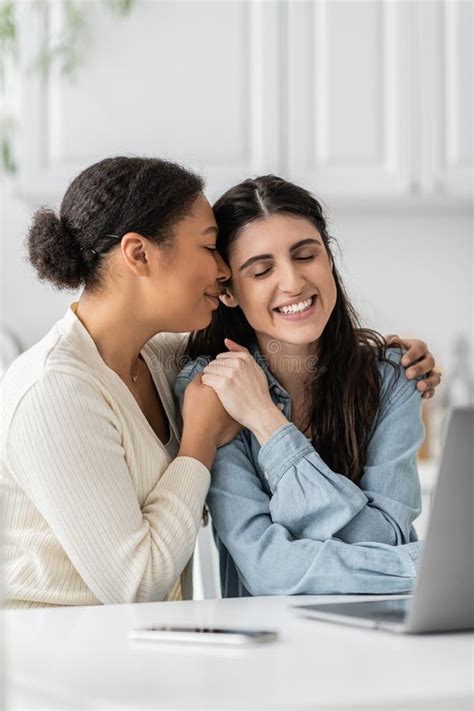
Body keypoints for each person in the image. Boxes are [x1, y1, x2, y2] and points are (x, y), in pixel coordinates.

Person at [0, 158, 439, 608]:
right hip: (58, 652)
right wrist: (203, 440)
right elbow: (146, 582)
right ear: (139, 255)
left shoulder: (159, 359)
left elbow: (388, 532)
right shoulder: (57, 390)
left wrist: (393, 359)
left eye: (306, 255)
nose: (220, 270)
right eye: (210, 248)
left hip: (146, 647)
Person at [175, 175, 439, 598]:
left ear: (328, 259)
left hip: (384, 641)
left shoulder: (394, 376)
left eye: (306, 256)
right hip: (267, 647)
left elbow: (385, 535)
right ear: (228, 292)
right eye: (262, 270)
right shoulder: (213, 389)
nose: (293, 282)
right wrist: (418, 566)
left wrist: (267, 422)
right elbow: (266, 570)